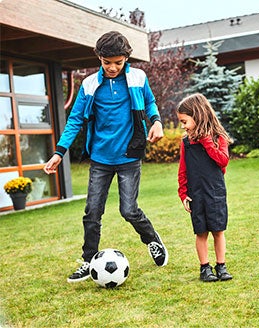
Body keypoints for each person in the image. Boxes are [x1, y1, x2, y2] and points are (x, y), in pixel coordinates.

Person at [43, 31, 168, 283]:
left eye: (118, 62)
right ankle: (89, 260)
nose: (112, 68)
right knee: (92, 212)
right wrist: (59, 152)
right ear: (99, 58)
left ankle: (152, 240)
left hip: (129, 157)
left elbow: (150, 103)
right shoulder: (89, 84)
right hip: (100, 159)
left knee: (129, 210)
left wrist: (156, 122)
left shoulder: (137, 78)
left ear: (126, 59)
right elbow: (75, 119)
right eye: (106, 62)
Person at [176, 93, 233, 282]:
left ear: (198, 115)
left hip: (215, 193)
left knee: (218, 230)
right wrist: (183, 193)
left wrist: (207, 141)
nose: (183, 126)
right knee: (201, 232)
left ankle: (221, 266)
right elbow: (183, 170)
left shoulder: (218, 139)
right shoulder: (186, 142)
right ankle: (205, 268)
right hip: (196, 195)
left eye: (185, 121)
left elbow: (222, 161)